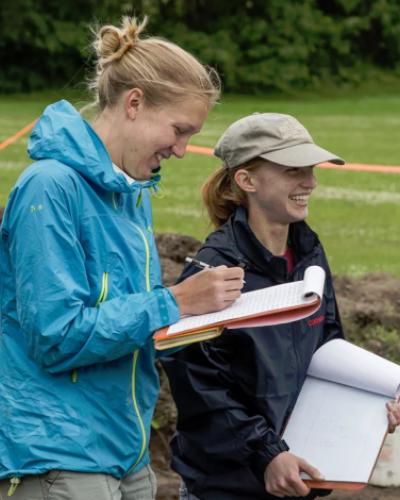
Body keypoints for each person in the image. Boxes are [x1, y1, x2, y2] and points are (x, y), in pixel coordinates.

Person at [0, 16, 245, 500]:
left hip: (125, 452)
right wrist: (174, 303)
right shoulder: (50, 187)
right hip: (61, 454)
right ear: (134, 103)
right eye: (179, 130)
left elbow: (127, 323)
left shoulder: (131, 194)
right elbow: (56, 335)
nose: (181, 150)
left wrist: (209, 321)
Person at [162, 113, 400, 500]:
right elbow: (202, 389)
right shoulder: (213, 273)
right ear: (247, 180)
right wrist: (267, 454)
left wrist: (372, 401)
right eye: (293, 170)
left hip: (299, 477)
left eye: (310, 169)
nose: (310, 182)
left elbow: (327, 347)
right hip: (228, 487)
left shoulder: (308, 251)